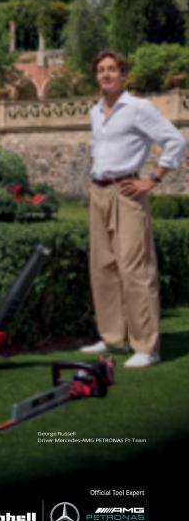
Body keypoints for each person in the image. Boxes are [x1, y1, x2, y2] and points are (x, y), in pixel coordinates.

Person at [80, 50, 186, 368]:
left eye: (112, 69)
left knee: (135, 270)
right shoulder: (95, 111)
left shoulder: (139, 108)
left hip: (127, 192)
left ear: (123, 75)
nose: (106, 74)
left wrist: (153, 178)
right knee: (103, 268)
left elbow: (175, 140)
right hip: (98, 192)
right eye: (101, 69)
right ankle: (113, 337)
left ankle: (146, 346)